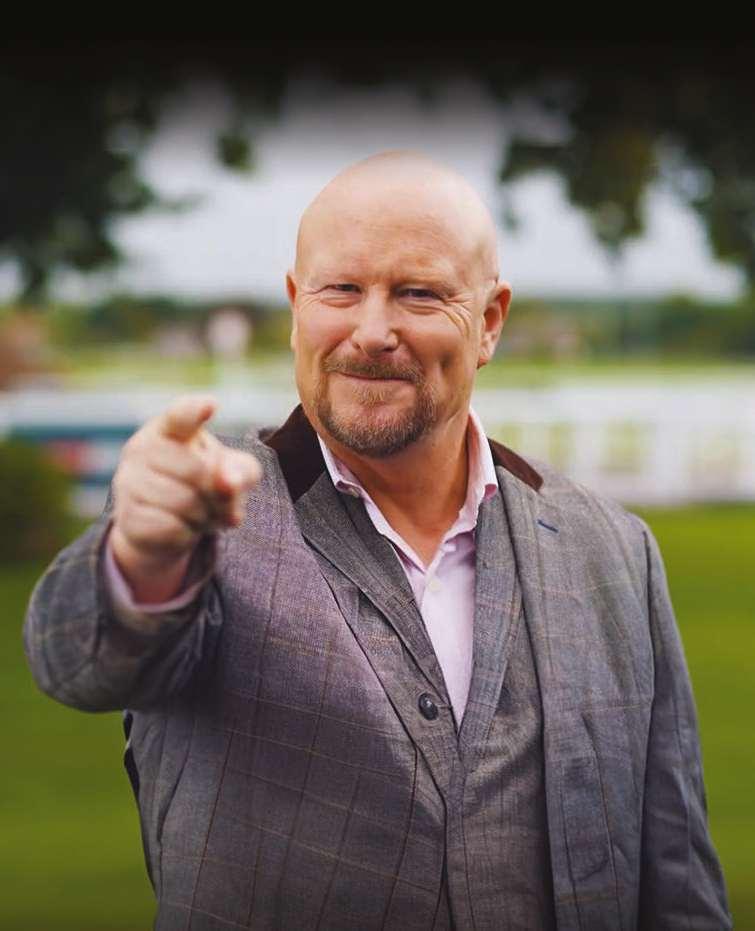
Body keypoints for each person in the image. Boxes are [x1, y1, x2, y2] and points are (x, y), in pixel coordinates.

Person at [23, 151, 731, 930]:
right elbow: (80, 662)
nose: (370, 331)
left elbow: (678, 878)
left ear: (489, 321)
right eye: (340, 290)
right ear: (295, 305)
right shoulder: (208, 510)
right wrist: (140, 556)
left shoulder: (612, 549)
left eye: (418, 293)